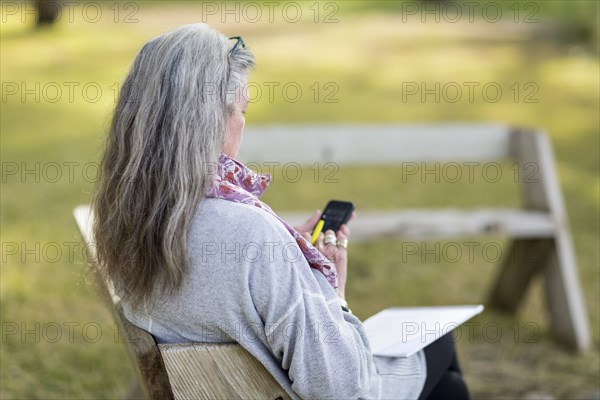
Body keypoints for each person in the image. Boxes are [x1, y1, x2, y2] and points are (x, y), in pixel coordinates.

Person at [92, 23, 470, 399]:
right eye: (242, 109)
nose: (243, 123)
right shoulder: (251, 234)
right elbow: (342, 388)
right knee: (441, 351)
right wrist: (331, 292)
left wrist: (288, 256)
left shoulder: (127, 220)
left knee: (448, 387)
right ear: (208, 122)